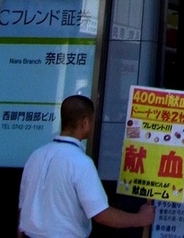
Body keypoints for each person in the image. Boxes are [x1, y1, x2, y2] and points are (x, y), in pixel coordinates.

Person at [18, 94, 155, 238]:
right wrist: (141, 219)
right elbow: (102, 215)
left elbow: (22, 208)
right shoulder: (81, 163)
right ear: (85, 122)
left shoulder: (36, 156)